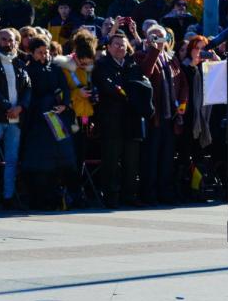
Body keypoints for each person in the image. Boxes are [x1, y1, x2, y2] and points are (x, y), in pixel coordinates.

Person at [93, 32, 151, 207]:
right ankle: (110, 196)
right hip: (111, 119)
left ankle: (130, 195)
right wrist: (128, 93)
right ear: (109, 47)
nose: (120, 47)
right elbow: (109, 87)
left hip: (131, 119)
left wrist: (130, 93)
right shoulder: (102, 65)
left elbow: (142, 85)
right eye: (116, 44)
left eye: (123, 45)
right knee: (111, 160)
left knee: (131, 160)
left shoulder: (133, 64)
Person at [21, 36, 76, 210]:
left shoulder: (55, 69)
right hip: (38, 122)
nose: (44, 55)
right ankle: (39, 200)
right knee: (40, 163)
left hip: (57, 119)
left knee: (59, 160)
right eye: (40, 52)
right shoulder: (28, 70)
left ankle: (57, 198)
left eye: (46, 52)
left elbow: (65, 88)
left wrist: (64, 104)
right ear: (32, 53)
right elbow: (30, 95)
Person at [0, 28, 30, 209]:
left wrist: (21, 107)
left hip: (16, 119)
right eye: (4, 39)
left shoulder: (21, 62)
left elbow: (28, 88)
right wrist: (7, 106)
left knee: (12, 160)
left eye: (11, 40)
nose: (8, 43)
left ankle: (9, 196)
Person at [52, 28, 98, 207]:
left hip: (85, 117)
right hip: (69, 118)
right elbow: (59, 94)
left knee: (79, 159)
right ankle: (69, 194)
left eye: (87, 62)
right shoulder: (63, 66)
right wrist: (78, 93)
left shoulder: (89, 68)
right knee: (69, 159)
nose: (83, 64)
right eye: (81, 61)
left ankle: (77, 193)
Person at [136, 25, 177, 205]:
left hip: (170, 116)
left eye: (162, 37)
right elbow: (146, 72)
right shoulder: (141, 55)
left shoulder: (169, 58)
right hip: (154, 117)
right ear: (147, 39)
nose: (159, 41)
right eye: (155, 37)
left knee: (167, 158)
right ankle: (149, 194)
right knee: (151, 159)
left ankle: (165, 192)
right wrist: (153, 50)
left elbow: (179, 80)